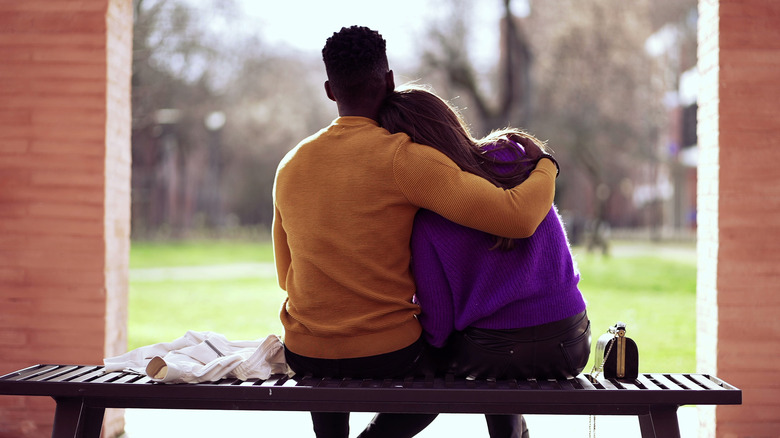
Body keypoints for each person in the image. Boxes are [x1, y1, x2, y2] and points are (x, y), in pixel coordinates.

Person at [272, 26, 559, 438]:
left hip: (305, 352)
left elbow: (286, 276)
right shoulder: (404, 159)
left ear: (330, 90)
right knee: (451, 363)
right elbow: (515, 217)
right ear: (389, 82)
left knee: (325, 355)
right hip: (388, 353)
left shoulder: (290, 165)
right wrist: (547, 164)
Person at [377, 85, 590, 438]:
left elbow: (440, 323)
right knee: (498, 356)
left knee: (443, 360)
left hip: (494, 352)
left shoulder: (427, 215)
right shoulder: (513, 153)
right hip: (571, 341)